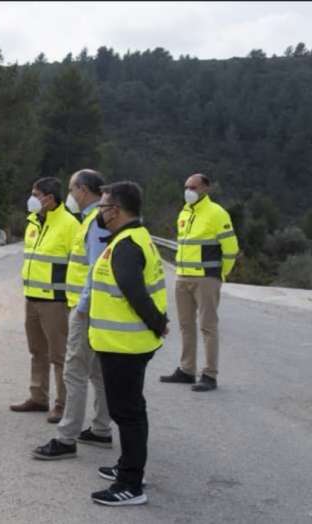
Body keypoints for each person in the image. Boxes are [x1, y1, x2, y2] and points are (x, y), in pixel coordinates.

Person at [88, 181, 169, 506]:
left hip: (125, 345)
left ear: (116, 210)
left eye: (102, 207)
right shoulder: (134, 237)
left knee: (128, 413)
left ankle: (130, 484)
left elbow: (135, 293)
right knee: (132, 409)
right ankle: (129, 466)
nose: (100, 212)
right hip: (126, 343)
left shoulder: (126, 246)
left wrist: (158, 324)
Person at [32, 169, 113, 460]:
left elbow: (95, 269)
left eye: (71, 188)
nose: (70, 194)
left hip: (86, 306)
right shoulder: (94, 220)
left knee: (75, 371)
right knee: (96, 371)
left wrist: (81, 307)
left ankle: (66, 438)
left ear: (82, 190)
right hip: (92, 305)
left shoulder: (94, 222)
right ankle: (101, 429)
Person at [160, 173, 239, 392]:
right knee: (185, 326)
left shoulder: (216, 213)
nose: (188, 191)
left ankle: (209, 375)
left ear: (206, 188)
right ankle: (187, 371)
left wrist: (220, 275)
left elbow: (231, 248)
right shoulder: (184, 212)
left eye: (193, 187)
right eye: (186, 186)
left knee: (208, 327)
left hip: (206, 278)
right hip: (183, 276)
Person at [10, 177, 79, 424]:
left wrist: (72, 300)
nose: (32, 198)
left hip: (56, 301)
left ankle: (62, 405)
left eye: (36, 194)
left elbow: (78, 264)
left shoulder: (69, 224)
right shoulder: (33, 222)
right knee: (37, 350)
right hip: (32, 298)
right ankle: (38, 397)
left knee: (59, 355)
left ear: (49, 198)